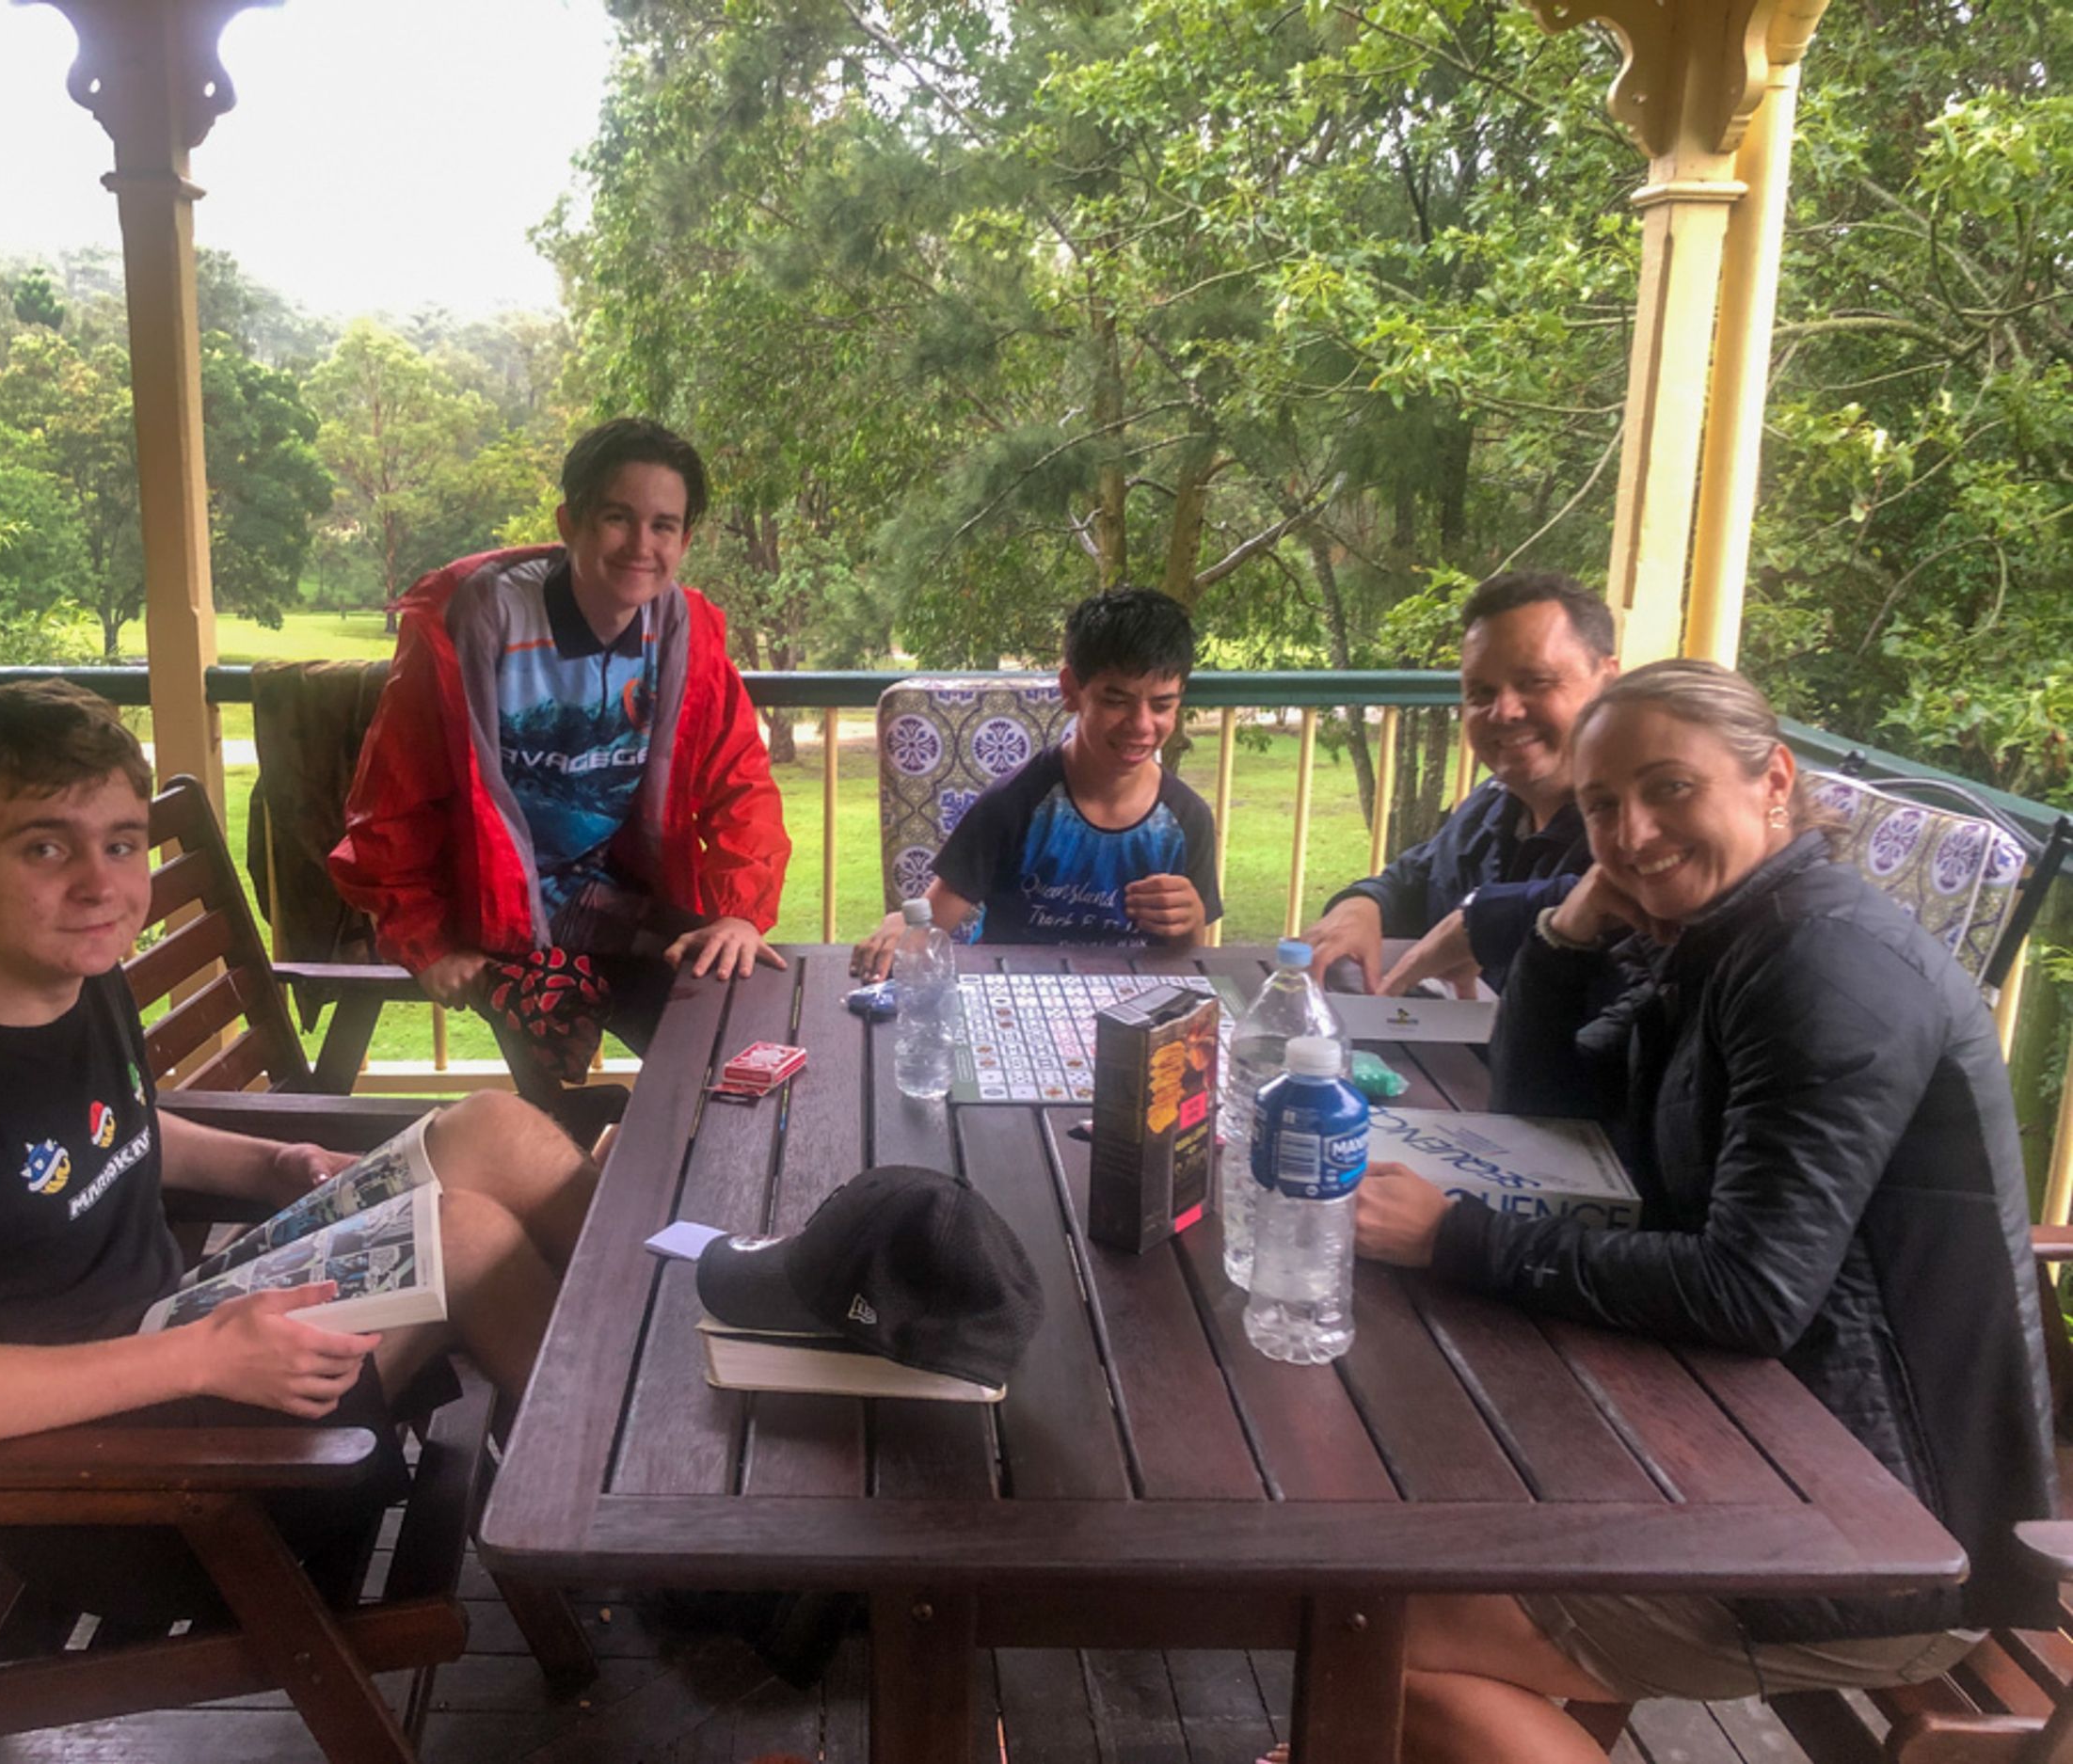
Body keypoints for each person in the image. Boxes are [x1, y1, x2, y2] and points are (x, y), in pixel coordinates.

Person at [1348, 660, 2055, 1764]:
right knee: (1408, 1524)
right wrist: (1567, 936)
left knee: (1370, 1637)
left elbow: (1751, 1292)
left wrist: (1455, 1236)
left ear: (1771, 780)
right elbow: (1552, 1120)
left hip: (1880, 1532)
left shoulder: (1822, 970)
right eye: (1601, 806)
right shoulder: (1725, 932)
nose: (1630, 835)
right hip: (1746, 1439)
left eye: (1668, 788)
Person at [0, 680, 601, 1620]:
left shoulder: (70, 978)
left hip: (179, 1335)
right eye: (45, 846)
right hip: (123, 1489)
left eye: (120, 843)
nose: (100, 884)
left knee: (491, 1128)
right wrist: (201, 1358)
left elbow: (106, 1128)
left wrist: (271, 1165)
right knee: (463, 1237)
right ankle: (620, 1504)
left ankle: (653, 1404)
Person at [330, 417, 792, 1100]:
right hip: (499, 917)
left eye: (663, 526)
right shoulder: (475, 623)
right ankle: (579, 1150)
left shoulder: (682, 632)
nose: (641, 545)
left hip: (619, 898)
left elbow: (741, 782)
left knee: (733, 1019)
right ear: (569, 522)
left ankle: (640, 1153)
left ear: (685, 541)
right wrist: (429, 942)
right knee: (565, 1069)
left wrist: (738, 912)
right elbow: (392, 804)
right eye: (617, 518)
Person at [850, 587, 1222, 977]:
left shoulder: (1187, 818)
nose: (1142, 725)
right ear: (1071, 691)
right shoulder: (1014, 804)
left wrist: (1191, 920)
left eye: (1162, 705)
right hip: (1011, 993)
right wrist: (904, 928)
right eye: (1116, 701)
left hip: (1134, 1003)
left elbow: (1187, 957)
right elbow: (934, 917)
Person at [1300, 570, 1618, 995]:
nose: (1503, 711)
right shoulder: (1494, 802)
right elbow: (1417, 878)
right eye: (1481, 692)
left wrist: (1483, 922)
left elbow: (1622, 898)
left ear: (1607, 681)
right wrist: (1362, 906)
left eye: (1535, 682)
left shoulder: (1638, 830)